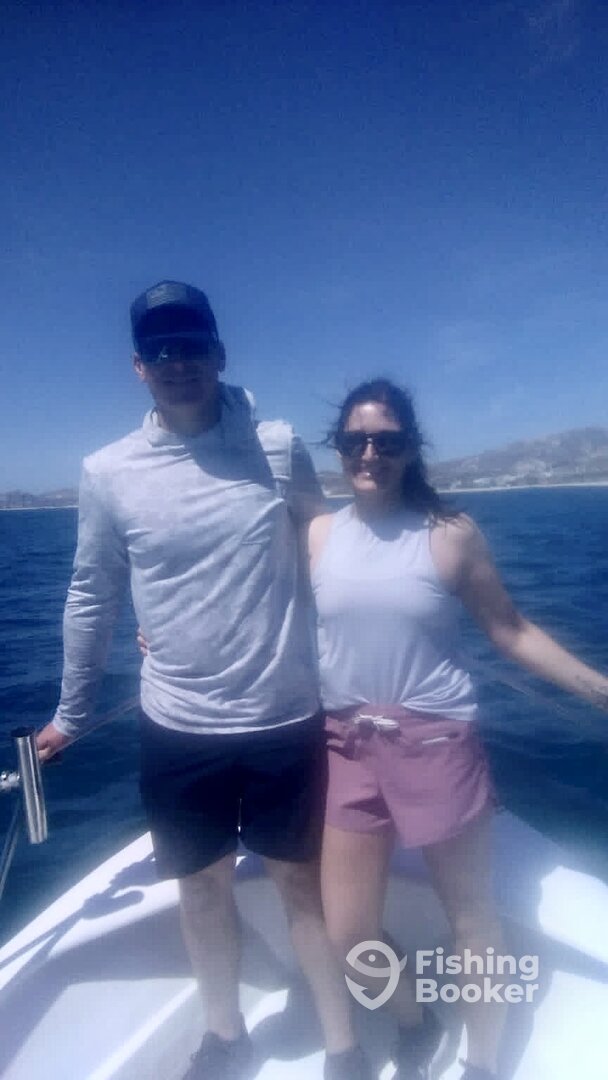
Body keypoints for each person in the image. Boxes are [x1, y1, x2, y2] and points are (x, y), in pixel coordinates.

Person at [35, 281, 372, 1080]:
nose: (176, 361)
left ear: (218, 354)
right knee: (201, 891)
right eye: (159, 349)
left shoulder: (276, 445)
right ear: (138, 367)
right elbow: (93, 593)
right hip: (178, 727)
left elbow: (326, 548)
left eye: (190, 345)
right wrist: (72, 713)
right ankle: (225, 1036)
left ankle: (344, 1046)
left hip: (285, 717)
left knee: (302, 890)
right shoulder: (107, 471)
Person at [307, 378, 608, 1080]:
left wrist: (600, 691)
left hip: (437, 744)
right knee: (347, 930)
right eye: (356, 440)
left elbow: (511, 630)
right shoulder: (318, 534)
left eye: (387, 441)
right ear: (339, 448)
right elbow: (271, 616)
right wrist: (168, 641)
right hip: (346, 744)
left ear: (411, 448)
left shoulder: (449, 535)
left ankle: (482, 1063)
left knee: (470, 917)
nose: (370, 453)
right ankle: (415, 1019)